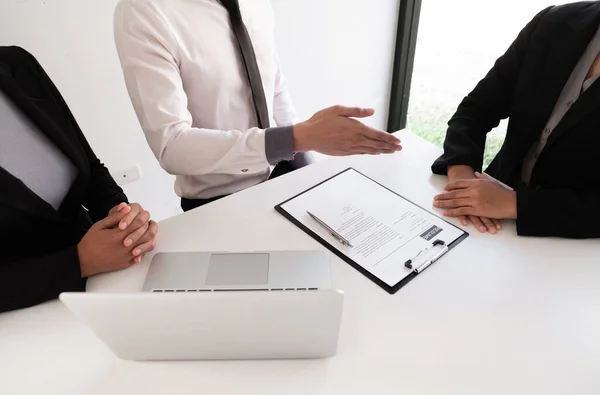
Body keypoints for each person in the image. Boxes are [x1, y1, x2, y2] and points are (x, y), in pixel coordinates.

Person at [114, 0, 402, 212]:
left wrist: (308, 165)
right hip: (219, 203)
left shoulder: (258, 5)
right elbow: (172, 147)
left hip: (289, 173)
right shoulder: (144, 11)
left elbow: (274, 88)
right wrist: (299, 137)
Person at [0, 46, 158, 313]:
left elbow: (90, 167)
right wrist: (80, 262)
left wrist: (122, 217)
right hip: (29, 319)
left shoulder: (17, 63)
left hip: (108, 282)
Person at [431, 1, 600, 239]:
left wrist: (514, 204)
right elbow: (478, 107)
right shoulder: (554, 21)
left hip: (571, 241)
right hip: (492, 210)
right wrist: (461, 175)